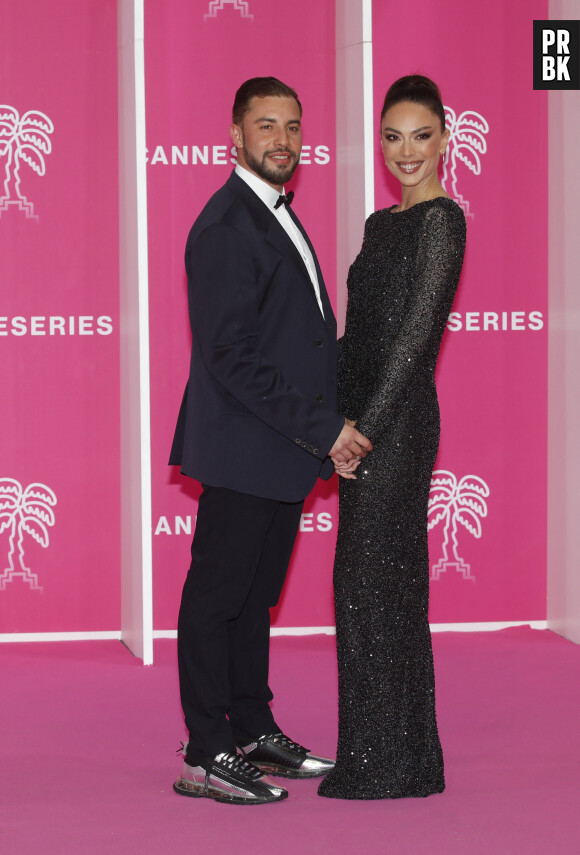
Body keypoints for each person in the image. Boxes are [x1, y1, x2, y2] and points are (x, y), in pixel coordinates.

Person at [169, 77, 372, 806]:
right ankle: (205, 749)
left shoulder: (275, 214)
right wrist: (325, 429)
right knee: (217, 596)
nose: (281, 139)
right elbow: (233, 356)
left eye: (291, 125)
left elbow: (299, 340)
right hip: (243, 447)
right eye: (265, 126)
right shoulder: (227, 226)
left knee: (254, 599)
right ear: (235, 133)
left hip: (279, 450)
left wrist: (325, 430)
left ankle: (251, 727)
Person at [318, 75, 466, 800]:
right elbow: (360, 339)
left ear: (445, 137)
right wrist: (331, 424)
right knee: (366, 587)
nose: (406, 152)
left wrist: (365, 432)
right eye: (392, 136)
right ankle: (392, 755)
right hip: (363, 425)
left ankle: (391, 760)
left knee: (379, 585)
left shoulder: (443, 221)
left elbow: (413, 341)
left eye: (421, 135)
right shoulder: (382, 225)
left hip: (400, 428)